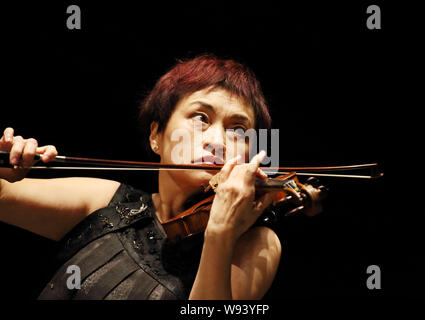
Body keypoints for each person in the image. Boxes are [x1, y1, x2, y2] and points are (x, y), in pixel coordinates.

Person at [0, 54, 281, 300]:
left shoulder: (255, 244)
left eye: (237, 129)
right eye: (201, 118)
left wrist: (220, 232)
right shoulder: (104, 202)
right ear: (156, 136)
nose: (218, 141)